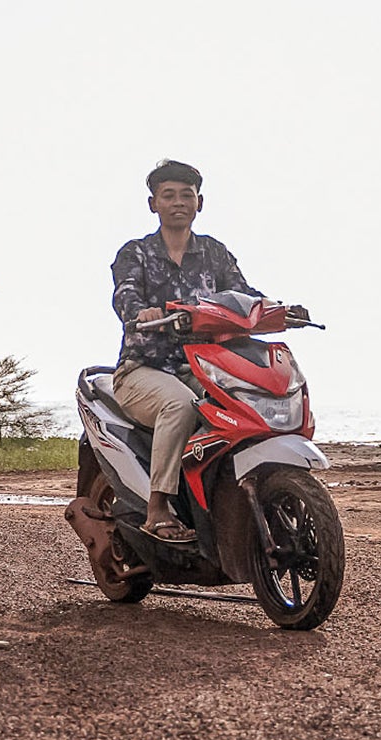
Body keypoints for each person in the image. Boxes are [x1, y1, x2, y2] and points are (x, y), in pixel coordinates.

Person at [110, 159, 264, 543]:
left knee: (245, 402)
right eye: (168, 195)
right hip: (143, 369)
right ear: (153, 204)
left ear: (200, 203)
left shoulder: (214, 253)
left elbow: (242, 294)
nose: (178, 202)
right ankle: (157, 506)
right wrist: (140, 311)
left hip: (204, 366)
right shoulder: (136, 253)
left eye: (186, 195)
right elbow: (124, 293)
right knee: (179, 404)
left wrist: (277, 308)